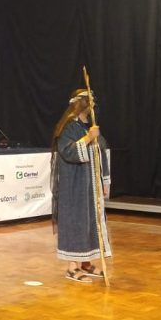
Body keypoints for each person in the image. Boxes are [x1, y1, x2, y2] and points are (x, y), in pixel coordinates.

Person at [51, 89, 111, 282]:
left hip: (90, 186)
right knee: (75, 221)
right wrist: (87, 138)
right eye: (91, 101)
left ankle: (86, 263)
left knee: (89, 221)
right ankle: (72, 267)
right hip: (74, 185)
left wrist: (105, 180)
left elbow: (102, 153)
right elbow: (67, 152)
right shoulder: (69, 127)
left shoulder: (90, 127)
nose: (94, 105)